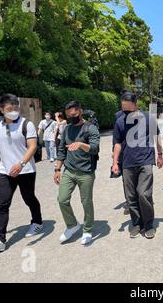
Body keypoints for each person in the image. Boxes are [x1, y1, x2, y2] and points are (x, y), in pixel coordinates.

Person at [0, 94, 43, 252]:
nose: (13, 111)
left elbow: (32, 146)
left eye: (16, 108)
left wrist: (21, 164)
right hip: (5, 171)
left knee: (28, 197)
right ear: (2, 109)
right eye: (9, 109)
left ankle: (37, 222)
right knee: (3, 204)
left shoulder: (26, 124)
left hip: (26, 170)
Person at [112, 92, 163, 239]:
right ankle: (136, 223)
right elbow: (117, 143)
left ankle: (148, 224)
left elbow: (156, 137)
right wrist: (115, 162)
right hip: (127, 162)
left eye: (128, 109)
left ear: (136, 105)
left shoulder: (148, 118)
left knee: (143, 193)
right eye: (123, 109)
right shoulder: (120, 121)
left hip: (145, 160)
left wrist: (160, 155)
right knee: (131, 196)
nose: (125, 112)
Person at [54, 101, 100, 246]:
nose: (71, 117)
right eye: (68, 115)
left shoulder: (90, 128)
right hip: (69, 170)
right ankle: (72, 225)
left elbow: (94, 148)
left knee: (86, 202)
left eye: (73, 115)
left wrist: (81, 144)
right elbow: (61, 150)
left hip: (85, 172)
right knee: (62, 199)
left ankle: (87, 229)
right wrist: (57, 169)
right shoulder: (67, 129)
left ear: (80, 111)